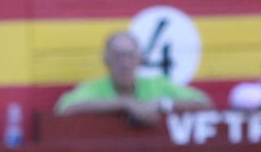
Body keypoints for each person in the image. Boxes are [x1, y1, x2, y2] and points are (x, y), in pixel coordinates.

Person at [55, 31, 212, 122]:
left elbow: (204, 103)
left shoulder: (157, 84)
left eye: (130, 56)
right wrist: (125, 104)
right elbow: (65, 108)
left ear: (140, 60)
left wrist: (160, 105)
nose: (125, 63)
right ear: (107, 60)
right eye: (118, 56)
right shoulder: (94, 88)